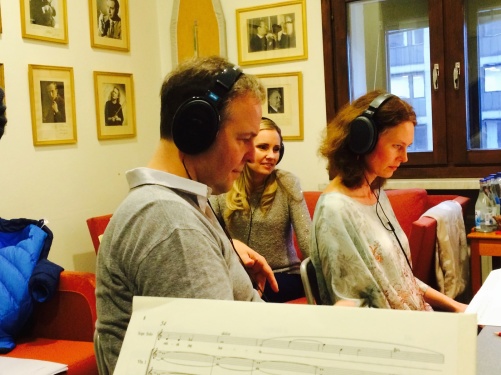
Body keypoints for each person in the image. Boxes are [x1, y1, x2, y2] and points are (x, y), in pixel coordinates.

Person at [95, 56, 279, 373]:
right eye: (244, 139)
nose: (251, 155)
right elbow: (217, 364)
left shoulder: (182, 208)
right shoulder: (172, 223)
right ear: (197, 130)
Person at [311, 89, 468, 312]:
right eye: (397, 146)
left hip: (418, 320)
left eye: (407, 147)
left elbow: (402, 281)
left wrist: (457, 306)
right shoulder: (335, 210)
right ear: (362, 140)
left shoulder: (376, 195)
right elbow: (354, 306)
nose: (404, 158)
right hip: (393, 336)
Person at [210, 118, 311, 302]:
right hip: (239, 275)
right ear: (247, 149)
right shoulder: (224, 185)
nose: (272, 156)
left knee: (252, 293)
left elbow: (308, 242)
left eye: (276, 149)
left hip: (283, 276)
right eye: (263, 147)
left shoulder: (287, 183)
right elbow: (210, 236)